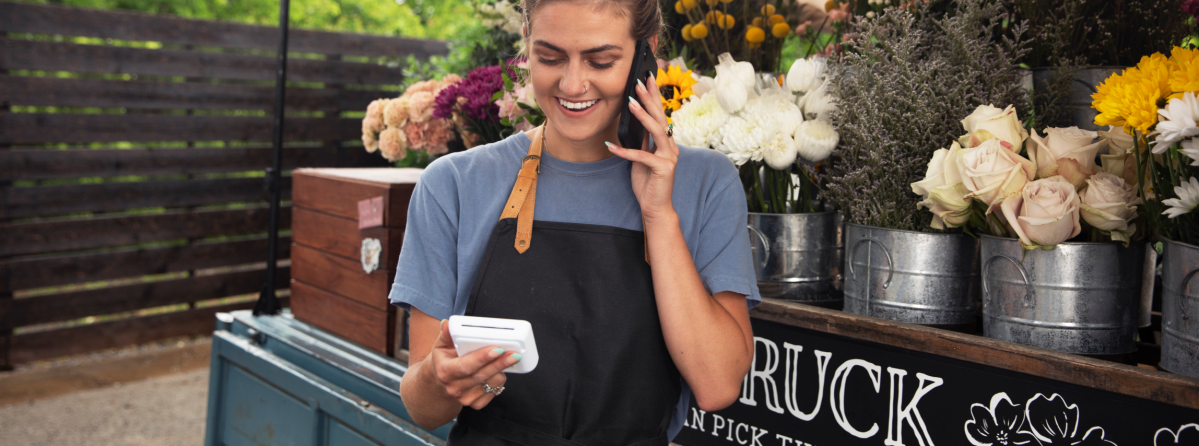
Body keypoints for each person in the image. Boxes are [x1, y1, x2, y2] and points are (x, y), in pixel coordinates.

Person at [389, 0, 761, 443]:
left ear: (647, 52)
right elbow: (422, 407)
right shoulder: (451, 185)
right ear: (526, 39)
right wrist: (439, 376)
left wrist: (659, 215)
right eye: (549, 57)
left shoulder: (706, 182)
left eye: (600, 61)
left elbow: (718, 385)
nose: (572, 83)